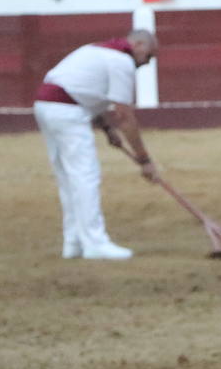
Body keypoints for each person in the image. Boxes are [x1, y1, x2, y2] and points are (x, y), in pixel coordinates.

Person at [33, 30, 161, 261]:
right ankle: (95, 242)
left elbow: (86, 91)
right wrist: (144, 159)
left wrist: (107, 128)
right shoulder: (122, 61)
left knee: (68, 178)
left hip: (45, 106)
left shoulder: (96, 49)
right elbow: (124, 115)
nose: (147, 64)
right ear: (140, 45)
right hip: (67, 112)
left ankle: (74, 243)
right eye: (149, 57)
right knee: (85, 176)